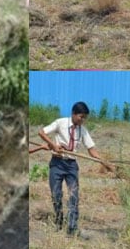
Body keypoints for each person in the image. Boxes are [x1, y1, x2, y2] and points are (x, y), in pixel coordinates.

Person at [37, 101, 112, 236]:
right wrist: (53, 145)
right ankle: (59, 221)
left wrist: (103, 161)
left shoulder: (82, 130)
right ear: (73, 114)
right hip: (57, 163)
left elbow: (91, 149)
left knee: (73, 196)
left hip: (72, 165)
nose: (82, 120)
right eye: (81, 117)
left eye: (84, 118)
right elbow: (41, 132)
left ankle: (72, 228)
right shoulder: (60, 123)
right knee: (56, 194)